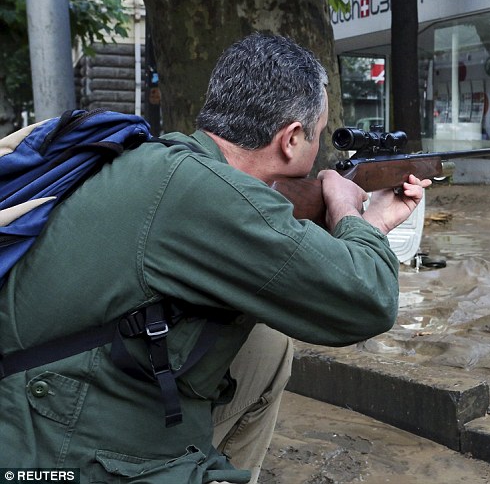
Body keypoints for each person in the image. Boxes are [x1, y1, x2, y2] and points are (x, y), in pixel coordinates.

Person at [0, 32, 428, 483]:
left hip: (53, 389)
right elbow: (367, 300)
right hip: (51, 438)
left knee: (266, 349)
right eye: (318, 137)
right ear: (292, 138)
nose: (319, 152)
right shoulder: (205, 195)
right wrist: (356, 214)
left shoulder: (167, 161)